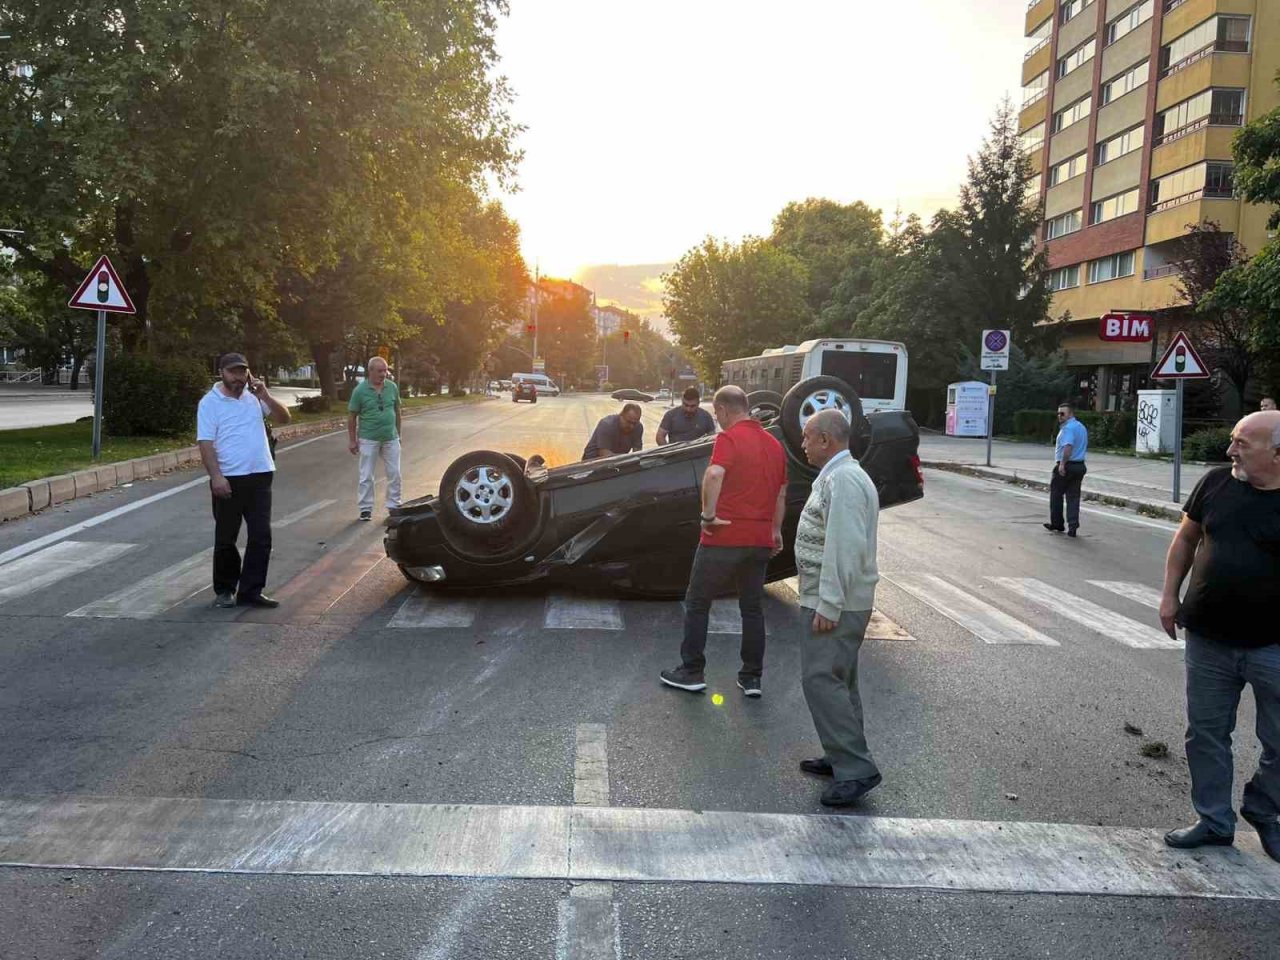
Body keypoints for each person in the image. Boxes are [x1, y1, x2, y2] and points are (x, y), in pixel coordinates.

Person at [1159, 411, 1280, 863]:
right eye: (1231, 439)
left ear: (1277, 453)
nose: (1230, 450)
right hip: (1209, 637)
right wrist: (1170, 595)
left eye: (1242, 443)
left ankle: (1264, 809)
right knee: (1206, 734)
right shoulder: (1215, 483)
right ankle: (1213, 821)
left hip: (1273, 644)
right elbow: (1186, 540)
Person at [660, 386, 787, 697]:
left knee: (698, 601)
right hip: (759, 540)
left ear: (726, 410)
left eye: (717, 414)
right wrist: (775, 531)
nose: (717, 420)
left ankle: (692, 671)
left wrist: (708, 515)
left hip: (724, 536)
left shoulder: (728, 439)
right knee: (752, 608)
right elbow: (781, 493)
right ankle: (751, 677)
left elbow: (715, 474)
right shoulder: (774, 445)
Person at [792, 409, 884, 807]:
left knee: (820, 678)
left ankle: (856, 768)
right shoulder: (837, 475)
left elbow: (843, 547)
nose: (803, 444)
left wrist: (828, 603)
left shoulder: (844, 479)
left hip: (837, 603)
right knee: (839, 680)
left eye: (808, 437)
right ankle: (840, 754)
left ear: (826, 440)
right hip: (835, 599)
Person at [196, 352, 291, 609]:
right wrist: (216, 477)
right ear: (222, 373)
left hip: (260, 475)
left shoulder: (254, 398)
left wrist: (266, 396)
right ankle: (225, 590)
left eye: (242, 372)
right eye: (233, 372)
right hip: (229, 479)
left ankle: (251, 591)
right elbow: (205, 444)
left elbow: (285, 418)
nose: (238, 377)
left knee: (261, 536)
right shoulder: (210, 403)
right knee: (227, 538)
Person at [348, 356, 402, 521]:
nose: (384, 374)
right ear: (370, 371)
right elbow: (352, 417)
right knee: (366, 475)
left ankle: (394, 505)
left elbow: (397, 412)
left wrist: (399, 435)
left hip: (390, 438)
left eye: (385, 370)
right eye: (380, 371)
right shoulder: (360, 391)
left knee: (395, 473)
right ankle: (365, 508)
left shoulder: (392, 387)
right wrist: (352, 440)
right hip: (368, 439)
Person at [1044, 402, 1088, 537]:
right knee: (1073, 497)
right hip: (1079, 466)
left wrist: (1062, 464)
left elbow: (1068, 447)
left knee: (1056, 495)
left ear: (1070, 414)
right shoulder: (1081, 427)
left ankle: (1057, 523)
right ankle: (1073, 526)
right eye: (1058, 413)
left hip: (1067, 465)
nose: (1059, 416)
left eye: (1062, 413)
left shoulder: (1068, 428)